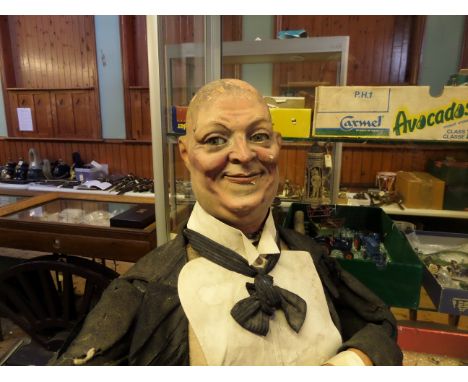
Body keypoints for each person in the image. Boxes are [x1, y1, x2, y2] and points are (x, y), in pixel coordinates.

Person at [51, 79, 402, 366]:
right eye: (216, 139)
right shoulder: (146, 291)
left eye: (259, 136)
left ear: (278, 147)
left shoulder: (312, 257)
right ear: (186, 155)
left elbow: (379, 325)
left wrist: (350, 363)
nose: (244, 154)